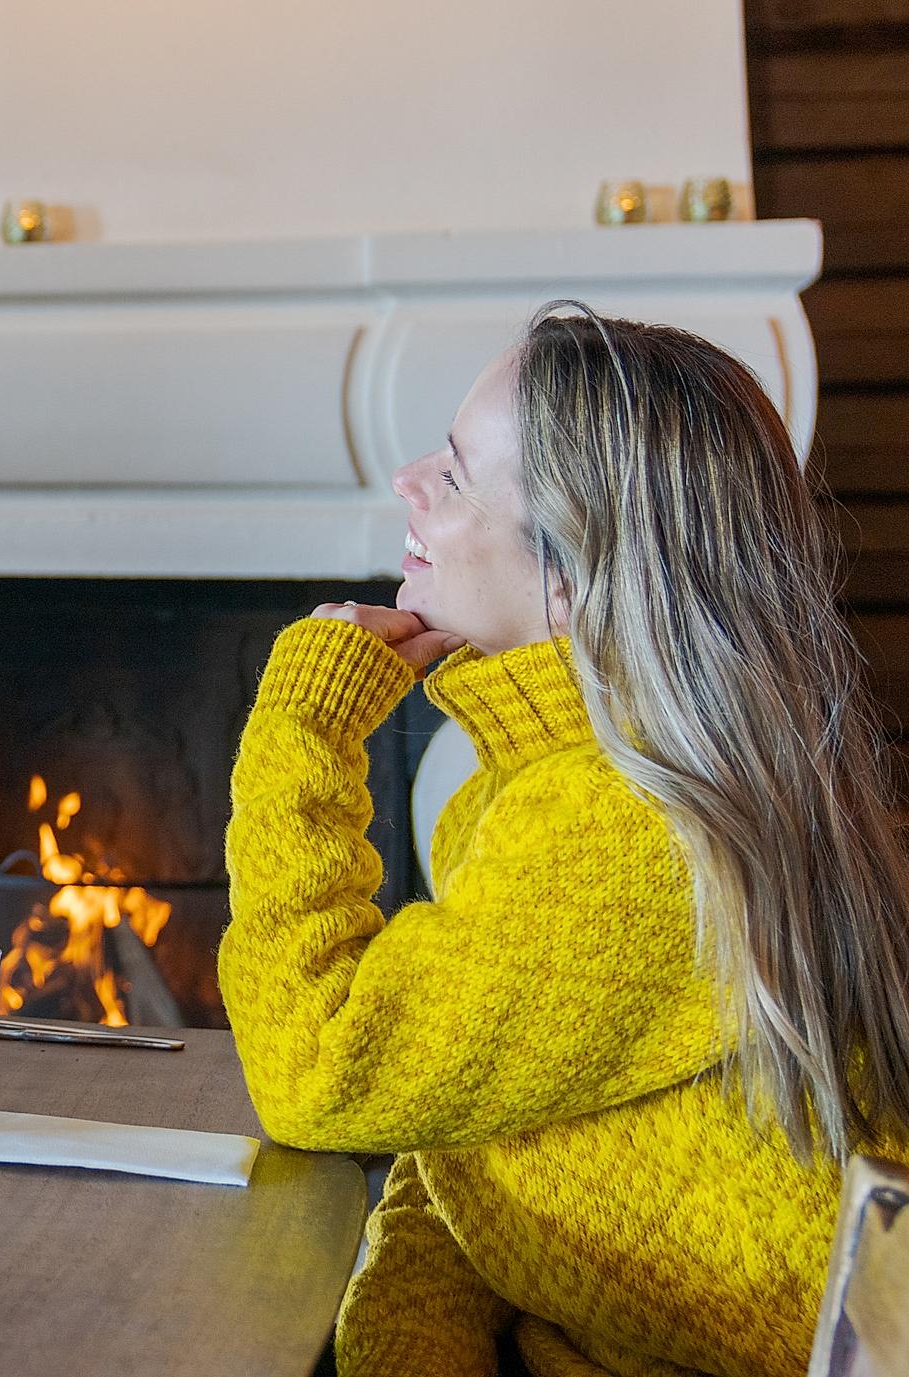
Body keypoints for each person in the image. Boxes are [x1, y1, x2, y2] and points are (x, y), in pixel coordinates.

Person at [219, 303, 909, 1376]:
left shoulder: (619, 832)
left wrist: (300, 731)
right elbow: (466, 1144)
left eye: (451, 474)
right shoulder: (556, 791)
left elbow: (316, 1071)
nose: (407, 479)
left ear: (573, 571)